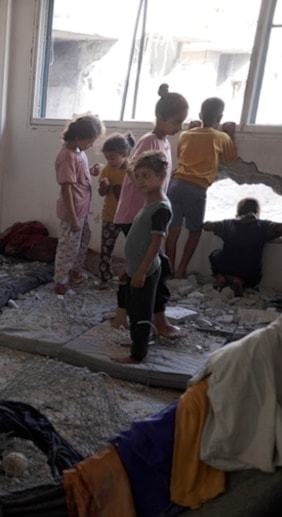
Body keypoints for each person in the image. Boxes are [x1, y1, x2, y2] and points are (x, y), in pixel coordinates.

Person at [110, 83, 189, 339]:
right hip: (137, 215)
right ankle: (157, 321)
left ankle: (123, 315)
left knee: (139, 267)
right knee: (156, 269)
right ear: (160, 118)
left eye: (182, 122)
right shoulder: (148, 141)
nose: (179, 127)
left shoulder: (163, 142)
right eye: (176, 122)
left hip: (147, 213)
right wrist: (150, 201)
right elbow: (133, 171)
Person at [166, 96, 238, 279]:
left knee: (173, 231)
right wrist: (230, 135)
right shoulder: (220, 137)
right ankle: (181, 270)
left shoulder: (185, 134)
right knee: (195, 230)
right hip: (196, 188)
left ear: (199, 114)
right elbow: (230, 160)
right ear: (219, 118)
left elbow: (179, 155)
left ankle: (169, 270)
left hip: (175, 185)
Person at [114, 150, 172, 365]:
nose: (140, 181)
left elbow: (155, 244)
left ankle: (138, 354)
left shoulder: (161, 208)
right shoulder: (149, 203)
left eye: (146, 175)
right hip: (136, 268)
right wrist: (128, 267)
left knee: (140, 311)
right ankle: (138, 342)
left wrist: (140, 270)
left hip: (145, 271)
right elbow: (139, 240)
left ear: (161, 176)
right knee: (133, 307)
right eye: (138, 176)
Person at [53, 113, 104, 295]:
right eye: (89, 141)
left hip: (81, 209)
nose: (90, 145)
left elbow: (78, 176)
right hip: (72, 211)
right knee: (68, 246)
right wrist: (73, 218)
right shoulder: (67, 156)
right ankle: (60, 282)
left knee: (83, 239)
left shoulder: (79, 153)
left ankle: (74, 272)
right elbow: (67, 188)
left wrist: (91, 172)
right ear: (77, 137)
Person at [203, 197, 282, 296]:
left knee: (215, 255)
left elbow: (207, 226)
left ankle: (221, 277)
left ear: (238, 211)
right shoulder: (263, 226)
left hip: (228, 266)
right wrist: (268, 237)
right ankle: (240, 282)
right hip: (251, 272)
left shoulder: (227, 224)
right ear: (257, 211)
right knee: (254, 278)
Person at [94, 133, 134, 289]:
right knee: (106, 249)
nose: (109, 162)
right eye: (107, 158)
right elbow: (101, 193)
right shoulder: (107, 170)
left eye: (112, 158)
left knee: (132, 248)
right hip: (110, 216)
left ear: (123, 155)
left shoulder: (131, 171)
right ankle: (105, 278)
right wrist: (104, 186)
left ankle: (130, 275)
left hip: (129, 217)